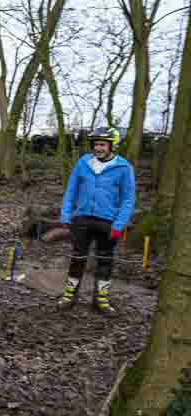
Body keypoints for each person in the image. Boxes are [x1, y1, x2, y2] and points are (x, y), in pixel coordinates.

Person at [57, 126, 136, 316]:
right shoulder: (83, 163)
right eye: (96, 144)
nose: (98, 148)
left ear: (112, 146)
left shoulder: (123, 168)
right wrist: (66, 214)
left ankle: (100, 300)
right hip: (82, 218)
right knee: (77, 258)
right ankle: (70, 295)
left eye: (102, 144)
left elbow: (128, 199)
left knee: (105, 260)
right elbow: (71, 190)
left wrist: (119, 224)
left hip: (108, 222)